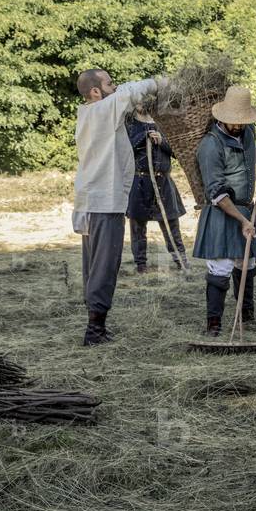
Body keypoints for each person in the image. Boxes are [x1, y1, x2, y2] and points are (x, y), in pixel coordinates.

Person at [72, 68, 162, 346]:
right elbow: (129, 92)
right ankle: (94, 331)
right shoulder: (101, 111)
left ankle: (95, 324)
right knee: (104, 266)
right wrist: (161, 83)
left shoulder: (88, 115)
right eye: (109, 83)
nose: (115, 86)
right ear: (96, 92)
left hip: (91, 200)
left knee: (93, 265)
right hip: (103, 203)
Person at [191, 86, 256, 336]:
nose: (238, 126)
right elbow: (216, 192)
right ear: (221, 117)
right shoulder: (210, 146)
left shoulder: (248, 130)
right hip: (222, 212)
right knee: (221, 267)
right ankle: (213, 325)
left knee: (246, 264)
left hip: (246, 210)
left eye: (242, 122)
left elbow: (252, 147)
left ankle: (246, 316)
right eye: (233, 122)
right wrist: (241, 221)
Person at [126, 106, 188, 273]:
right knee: (137, 226)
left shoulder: (165, 122)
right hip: (140, 181)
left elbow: (179, 151)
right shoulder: (128, 122)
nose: (140, 103)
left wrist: (162, 141)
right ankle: (141, 265)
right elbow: (123, 150)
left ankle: (181, 262)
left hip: (163, 180)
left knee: (171, 223)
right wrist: (143, 137)